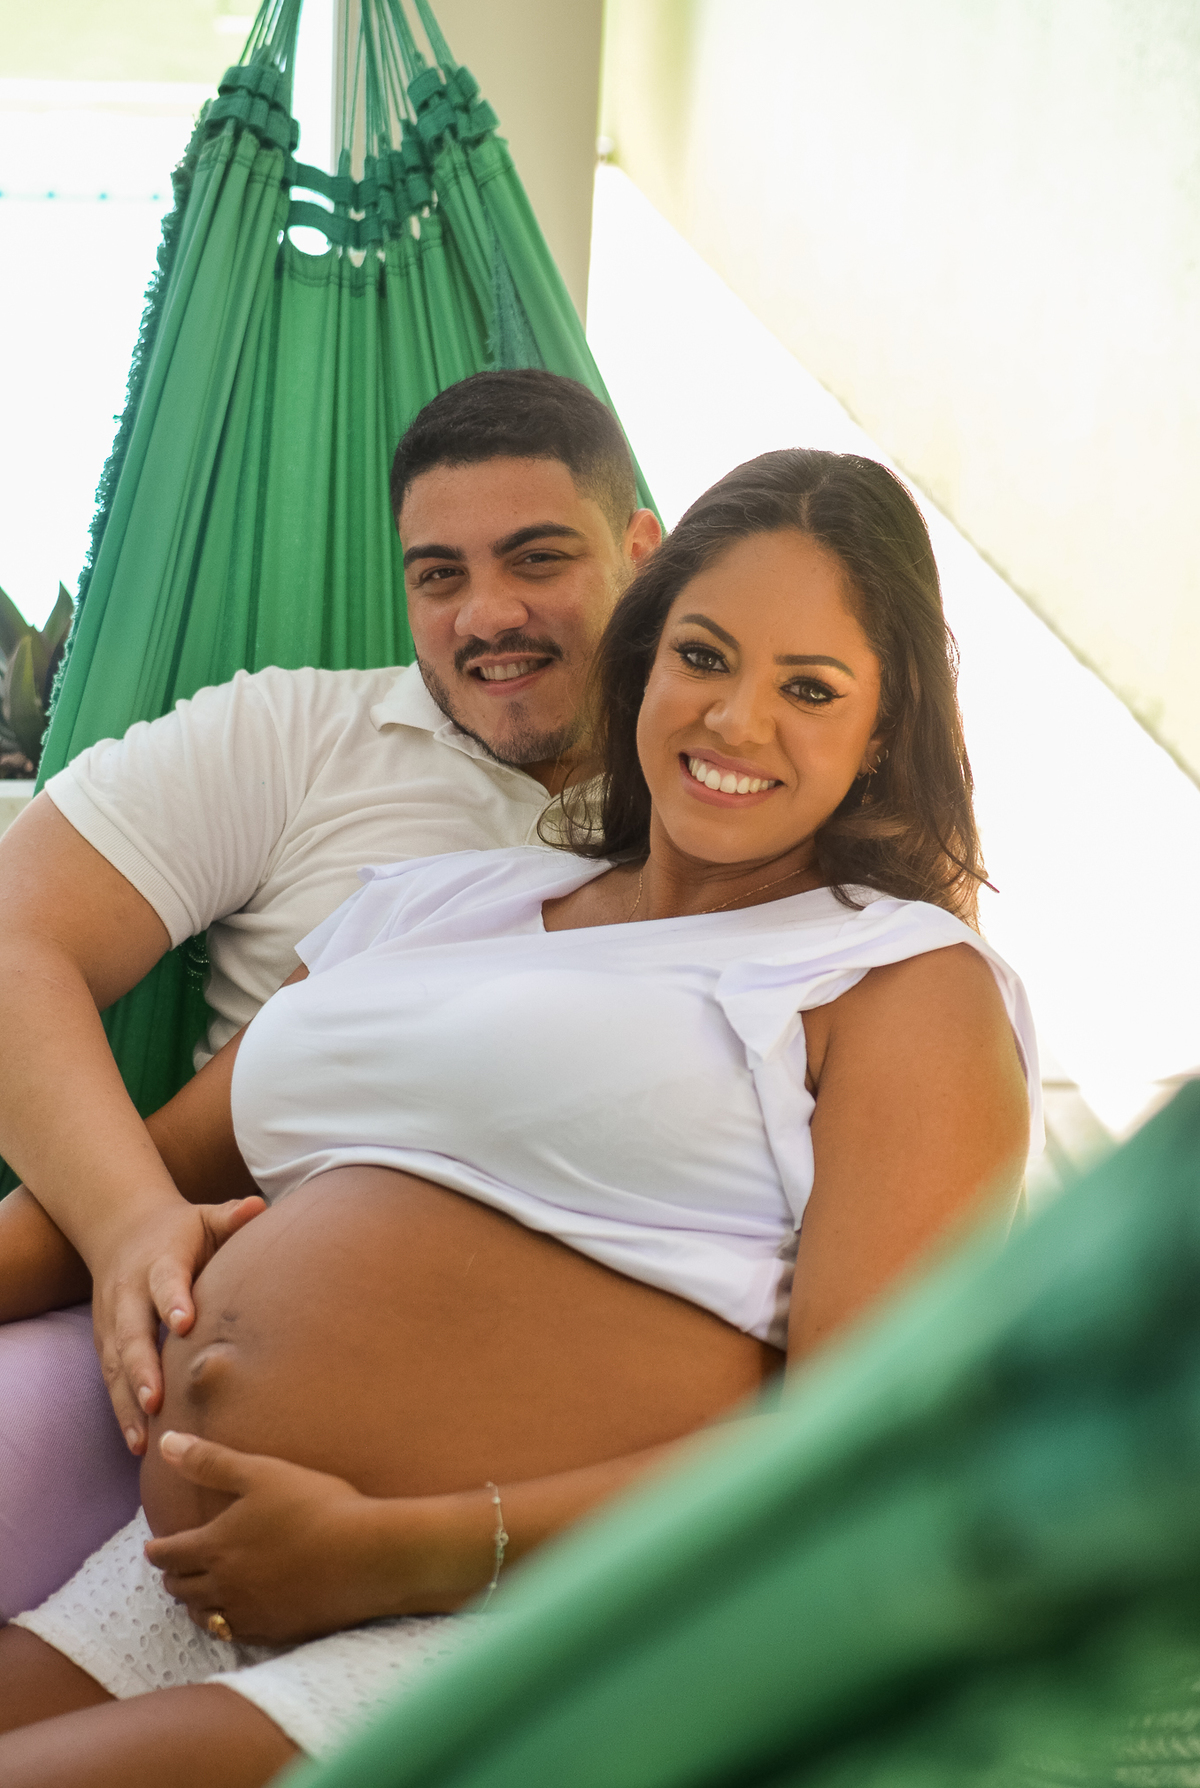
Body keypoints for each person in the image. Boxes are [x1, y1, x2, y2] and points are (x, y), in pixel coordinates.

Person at [0, 449, 1037, 1787]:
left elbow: (864, 1443)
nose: (737, 721)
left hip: (521, 1618)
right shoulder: (440, 901)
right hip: (185, 1580)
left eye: (811, 689)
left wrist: (408, 1547)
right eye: (704, 658)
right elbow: (142, 1183)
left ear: (885, 730)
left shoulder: (896, 981)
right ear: (643, 661)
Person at [0, 368, 662, 1618]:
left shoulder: (717, 818)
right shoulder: (293, 738)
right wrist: (132, 1222)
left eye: (538, 559)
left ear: (641, 551)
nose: (488, 615)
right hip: (183, 1345)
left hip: (518, 1456)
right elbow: (14, 940)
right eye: (439, 576)